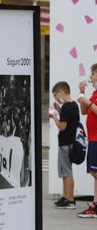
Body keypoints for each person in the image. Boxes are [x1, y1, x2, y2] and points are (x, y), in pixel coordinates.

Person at [49, 81, 79, 209]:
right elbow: (68, 119)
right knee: (66, 171)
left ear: (60, 93)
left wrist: (54, 116)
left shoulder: (67, 107)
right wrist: (59, 110)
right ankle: (65, 197)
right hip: (71, 143)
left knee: (66, 172)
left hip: (65, 144)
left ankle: (70, 199)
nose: (56, 98)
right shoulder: (73, 105)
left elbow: (62, 126)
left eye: (55, 95)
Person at [77, 64, 97, 219]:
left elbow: (91, 107)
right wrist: (82, 94)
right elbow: (84, 111)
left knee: (95, 172)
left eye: (93, 74)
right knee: (94, 172)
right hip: (92, 138)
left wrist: (88, 102)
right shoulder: (95, 93)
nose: (90, 77)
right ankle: (96, 205)